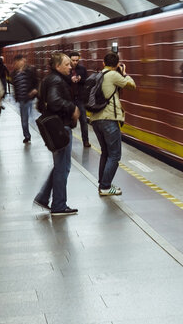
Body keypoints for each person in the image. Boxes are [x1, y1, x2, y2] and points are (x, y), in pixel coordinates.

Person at [32, 52, 79, 216]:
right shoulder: (57, 81)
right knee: (63, 167)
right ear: (57, 66)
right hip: (61, 127)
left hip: (57, 126)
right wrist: (72, 108)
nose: (70, 66)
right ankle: (59, 205)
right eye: (66, 64)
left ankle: (44, 198)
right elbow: (54, 101)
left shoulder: (50, 79)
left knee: (60, 166)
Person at [88, 52, 136, 197]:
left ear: (103, 63)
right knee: (115, 155)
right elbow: (132, 86)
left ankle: (103, 184)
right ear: (116, 64)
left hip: (96, 119)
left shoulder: (97, 75)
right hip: (108, 119)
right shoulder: (113, 75)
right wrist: (125, 73)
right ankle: (105, 186)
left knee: (106, 152)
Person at [11, 55, 39, 144]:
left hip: (29, 98)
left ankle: (27, 135)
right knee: (25, 118)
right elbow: (14, 86)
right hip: (21, 99)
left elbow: (36, 82)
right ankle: (27, 135)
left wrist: (35, 89)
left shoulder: (30, 71)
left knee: (25, 117)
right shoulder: (14, 73)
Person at [67, 51, 90, 148]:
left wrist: (80, 80)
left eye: (77, 60)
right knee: (68, 121)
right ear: (69, 60)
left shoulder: (82, 69)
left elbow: (87, 82)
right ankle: (67, 141)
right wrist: (70, 79)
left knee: (83, 120)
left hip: (80, 98)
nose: (75, 62)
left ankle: (85, 141)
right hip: (69, 99)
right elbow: (62, 81)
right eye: (73, 60)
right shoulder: (66, 69)